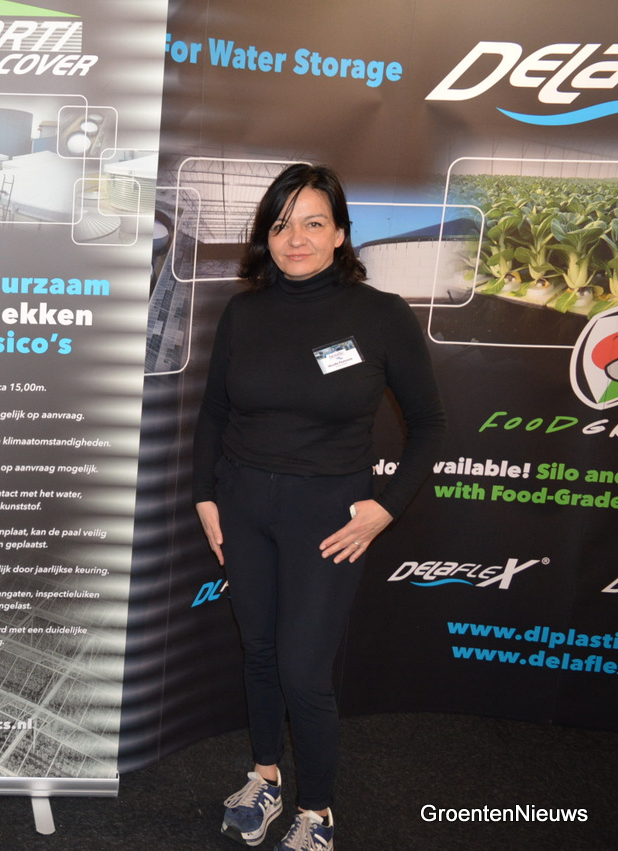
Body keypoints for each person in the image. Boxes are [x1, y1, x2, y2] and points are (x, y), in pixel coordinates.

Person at [192, 164, 445, 850]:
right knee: (260, 650)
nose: (295, 238)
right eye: (281, 225)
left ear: (339, 234)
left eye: (313, 222)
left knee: (304, 670)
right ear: (265, 236)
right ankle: (266, 777)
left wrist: (385, 510)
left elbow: (429, 425)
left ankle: (317, 812)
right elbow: (214, 412)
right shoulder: (244, 312)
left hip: (327, 515)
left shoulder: (381, 315)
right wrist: (205, 494)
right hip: (243, 504)